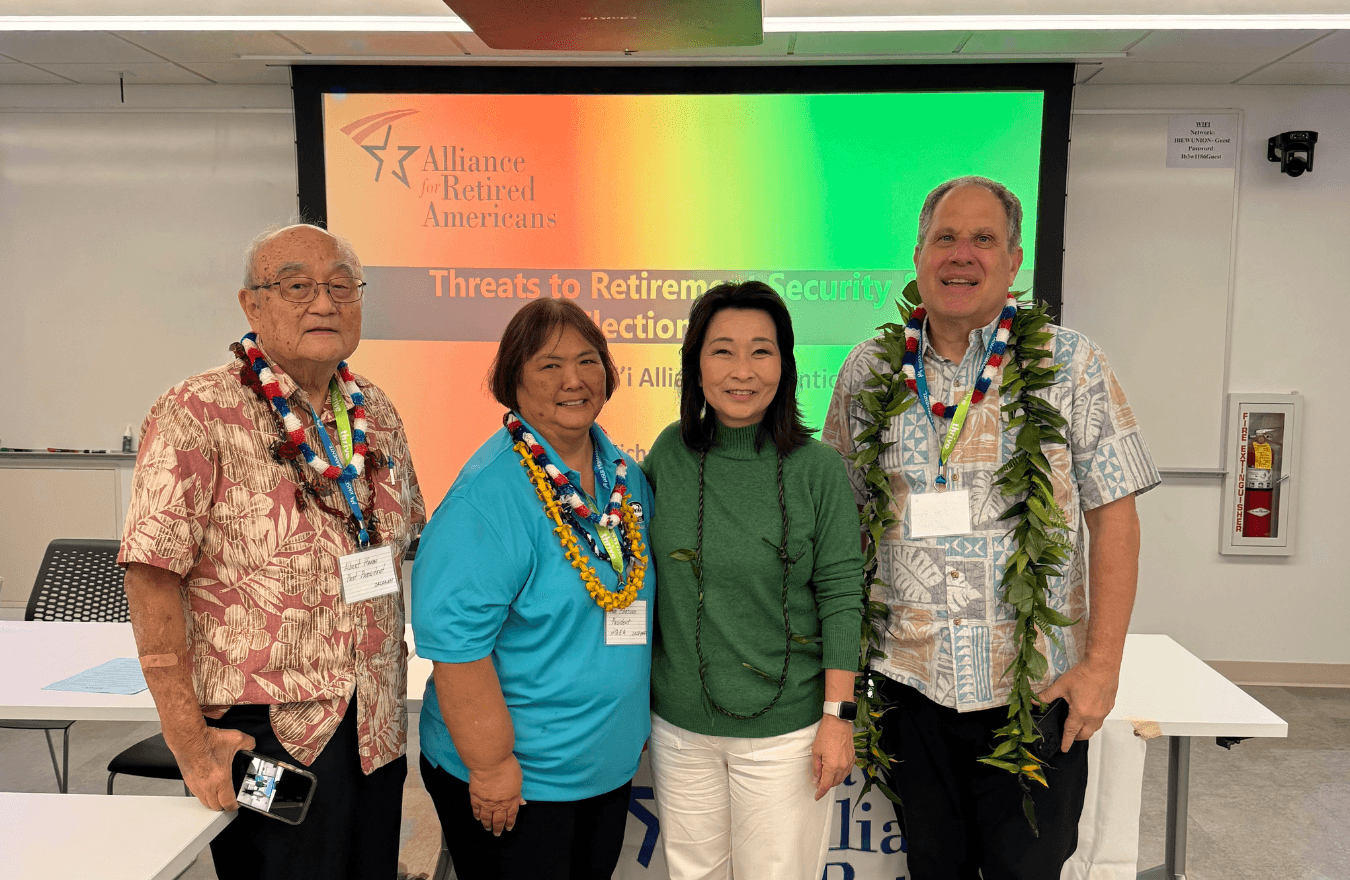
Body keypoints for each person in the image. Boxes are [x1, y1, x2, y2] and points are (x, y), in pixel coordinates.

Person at [823, 176, 1161, 879]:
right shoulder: (868, 371)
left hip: (1036, 691)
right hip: (910, 685)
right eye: (945, 237)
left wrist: (1102, 667)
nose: (961, 254)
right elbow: (842, 529)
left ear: (1014, 261)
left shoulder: (1072, 364)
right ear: (918, 256)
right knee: (933, 869)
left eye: (983, 239)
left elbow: (1115, 519)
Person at [119, 223, 425, 880]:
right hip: (265, 737)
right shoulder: (197, 410)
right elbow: (150, 576)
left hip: (375, 728)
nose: (324, 303)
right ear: (251, 305)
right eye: (297, 287)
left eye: (341, 286)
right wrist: (188, 743)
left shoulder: (375, 412)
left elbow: (403, 538)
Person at [412, 298, 655, 880]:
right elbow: (456, 648)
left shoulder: (623, 476)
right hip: (518, 782)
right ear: (513, 382)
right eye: (549, 365)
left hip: (602, 767)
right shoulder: (487, 497)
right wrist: (492, 767)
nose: (574, 380)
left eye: (588, 361)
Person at [642, 281, 865, 880]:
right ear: (695, 366)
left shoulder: (819, 470)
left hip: (787, 734)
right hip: (680, 730)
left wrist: (839, 718)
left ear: (785, 365)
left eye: (761, 351)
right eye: (722, 351)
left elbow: (842, 597)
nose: (742, 371)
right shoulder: (668, 455)